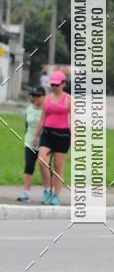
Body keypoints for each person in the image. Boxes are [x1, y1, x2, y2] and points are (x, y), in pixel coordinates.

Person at [31, 70, 71, 205]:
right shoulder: (47, 98)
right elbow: (42, 118)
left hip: (62, 135)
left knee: (58, 166)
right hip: (47, 134)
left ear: (64, 84)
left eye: (57, 85)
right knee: (42, 162)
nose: (54, 87)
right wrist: (35, 135)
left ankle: (56, 195)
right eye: (53, 85)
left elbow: (74, 120)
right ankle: (47, 189)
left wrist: (76, 136)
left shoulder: (69, 99)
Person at [16, 86, 46, 202]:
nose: (35, 98)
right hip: (29, 142)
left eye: (38, 96)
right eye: (33, 96)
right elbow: (26, 125)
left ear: (44, 96)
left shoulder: (47, 110)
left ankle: (48, 191)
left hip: (44, 142)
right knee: (29, 166)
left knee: (44, 167)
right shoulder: (29, 109)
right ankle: (26, 192)